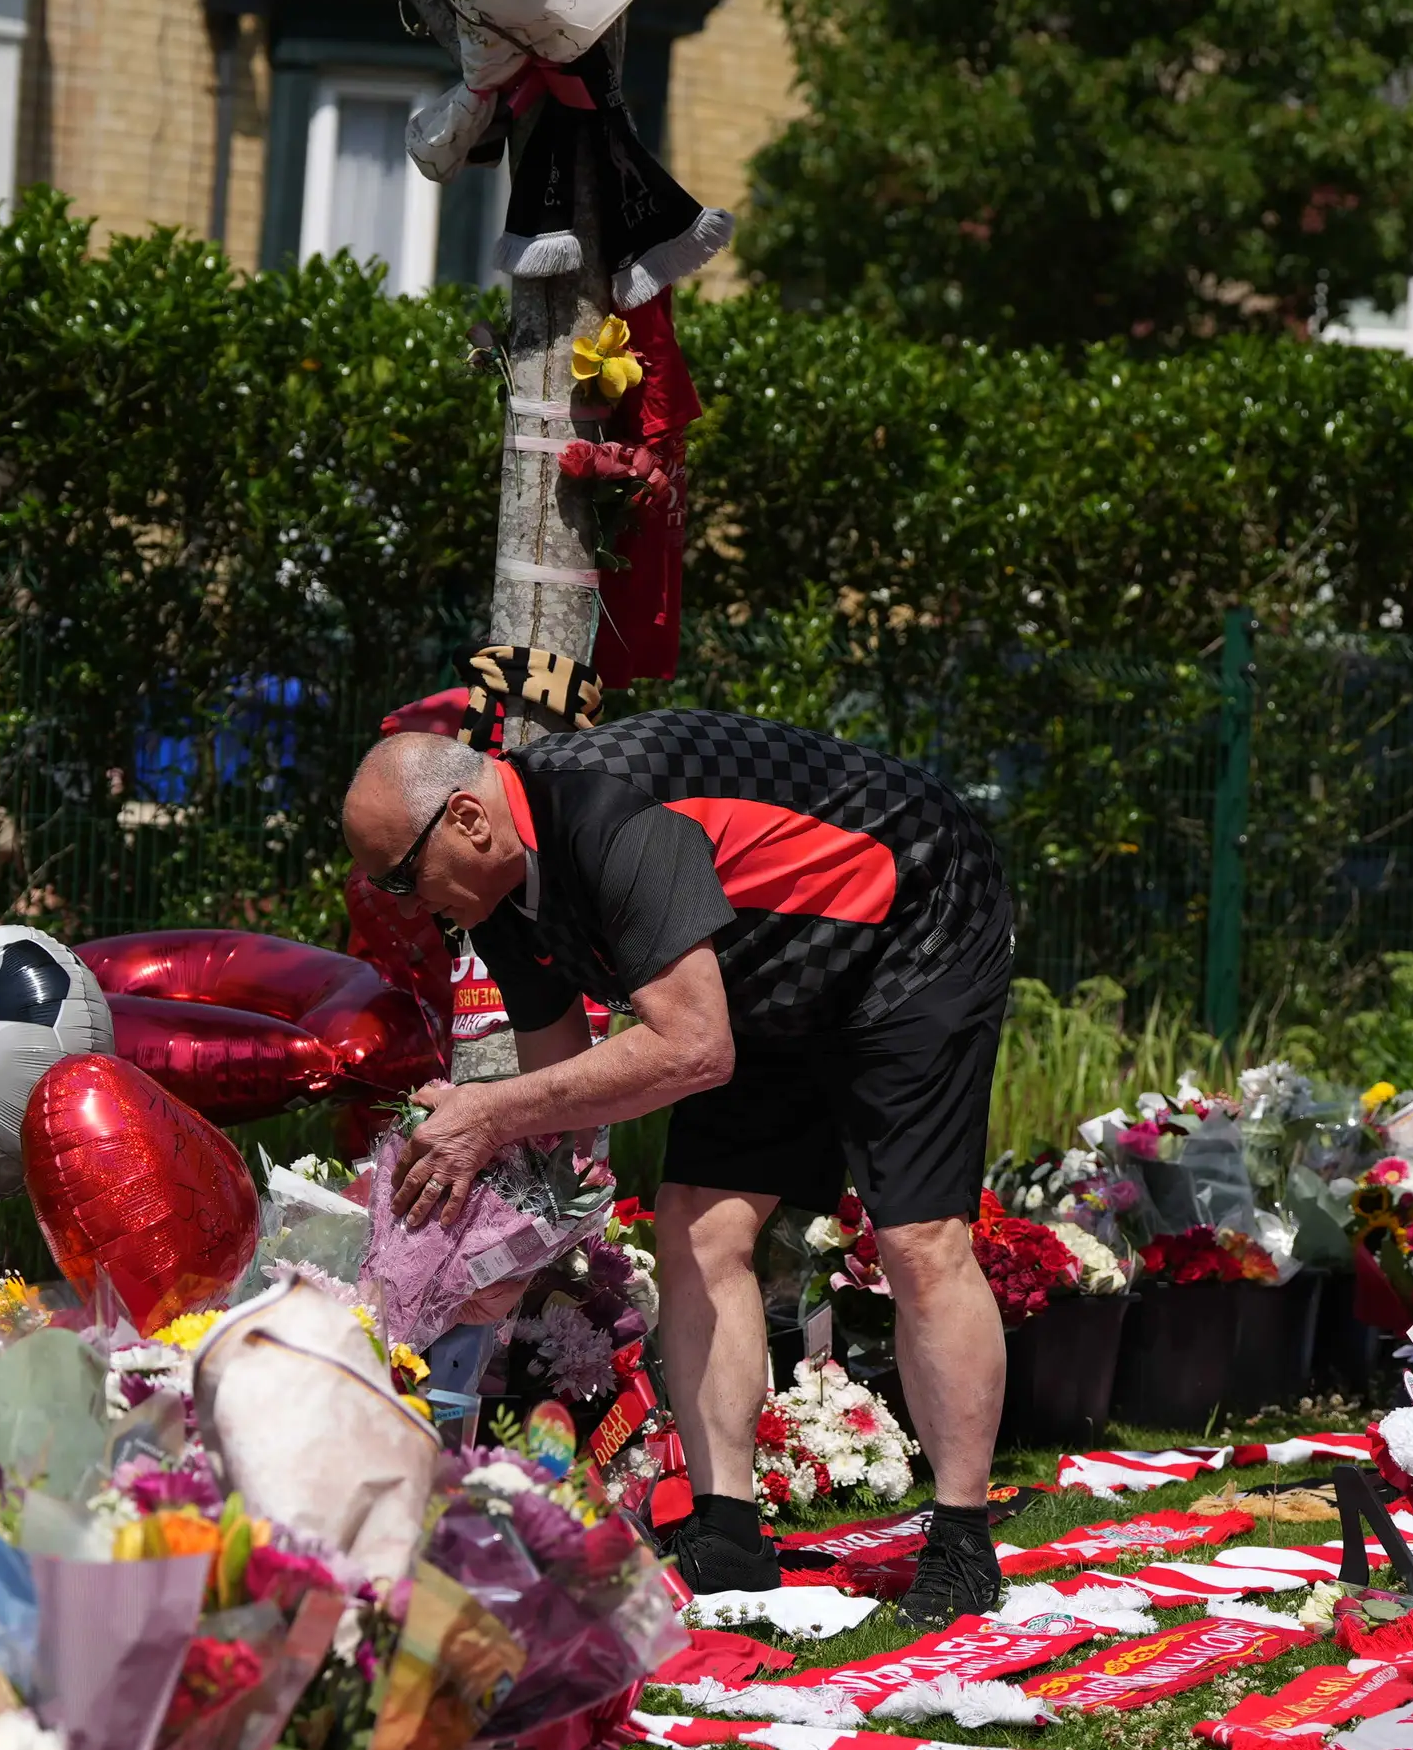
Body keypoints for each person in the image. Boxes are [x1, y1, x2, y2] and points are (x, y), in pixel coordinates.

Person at [339, 687, 1017, 1620]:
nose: (403, 909)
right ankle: (727, 1531)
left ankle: (961, 1540)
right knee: (695, 1226)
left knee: (917, 1239)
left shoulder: (614, 822)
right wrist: (501, 1208)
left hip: (911, 922)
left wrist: (491, 1114)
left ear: (466, 819)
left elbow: (693, 1049)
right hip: (762, 972)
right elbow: (562, 1079)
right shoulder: (495, 895)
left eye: (401, 879)